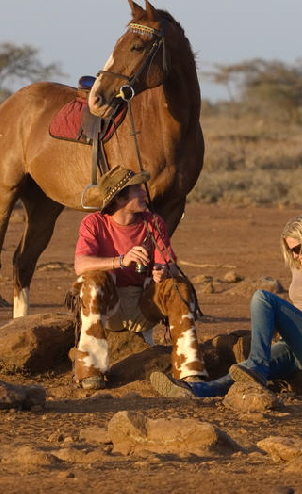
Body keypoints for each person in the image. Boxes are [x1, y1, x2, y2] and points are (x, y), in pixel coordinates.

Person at [149, 214, 302, 398]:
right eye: (290, 250)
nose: (294, 255)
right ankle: (193, 390)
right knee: (245, 370)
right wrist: (284, 327)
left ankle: (257, 364)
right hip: (294, 345)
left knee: (262, 298)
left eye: (297, 249)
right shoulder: (299, 269)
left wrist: (286, 322)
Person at [70, 165, 207, 390]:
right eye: (137, 190)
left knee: (178, 287)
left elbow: (170, 264)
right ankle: (90, 372)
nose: (145, 193)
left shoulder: (153, 222)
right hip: (109, 308)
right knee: (91, 280)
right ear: (119, 199)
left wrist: (163, 271)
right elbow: (80, 264)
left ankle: (190, 372)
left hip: (144, 305)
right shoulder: (93, 223)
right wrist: (121, 260)